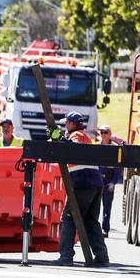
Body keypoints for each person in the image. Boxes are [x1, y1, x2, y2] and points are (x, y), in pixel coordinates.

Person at [51, 111, 109, 267]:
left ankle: (66, 256)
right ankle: (101, 257)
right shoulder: (86, 137)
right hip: (95, 184)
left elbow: (74, 149)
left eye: (66, 123)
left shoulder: (76, 135)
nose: (65, 126)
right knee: (90, 221)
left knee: (68, 219)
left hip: (82, 183)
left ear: (72, 124)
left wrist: (60, 139)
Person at [97, 125, 124, 237]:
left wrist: (113, 182)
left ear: (110, 134)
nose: (103, 135)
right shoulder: (96, 147)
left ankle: (105, 229)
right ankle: (93, 229)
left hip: (108, 180)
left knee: (107, 207)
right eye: (102, 132)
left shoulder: (115, 149)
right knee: (94, 207)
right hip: (97, 179)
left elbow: (118, 168)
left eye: (106, 132)